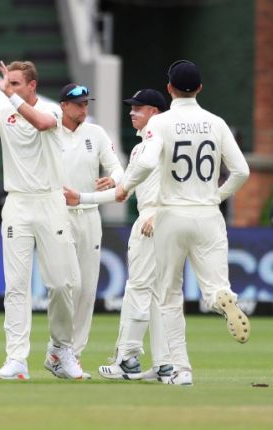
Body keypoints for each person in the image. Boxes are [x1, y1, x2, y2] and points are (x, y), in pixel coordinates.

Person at [115, 60, 251, 385]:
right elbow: (242, 171)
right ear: (200, 88)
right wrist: (216, 196)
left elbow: (146, 160)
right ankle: (221, 297)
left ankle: (182, 370)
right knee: (215, 285)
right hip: (208, 214)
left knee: (169, 297)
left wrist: (125, 186)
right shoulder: (216, 123)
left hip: (171, 215)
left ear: (169, 89)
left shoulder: (160, 124)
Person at [0, 59, 83, 380]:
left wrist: (8, 96)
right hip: (17, 205)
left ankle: (60, 351)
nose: (8, 88)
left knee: (61, 285)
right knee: (16, 286)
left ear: (32, 85)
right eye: (6, 83)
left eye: (15, 83)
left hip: (50, 202)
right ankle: (16, 359)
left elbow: (40, 124)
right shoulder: (4, 115)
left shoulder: (53, 111)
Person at [64, 88, 173, 382]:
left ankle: (127, 358)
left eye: (138, 108)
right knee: (157, 294)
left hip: (154, 221)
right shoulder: (141, 149)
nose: (131, 113)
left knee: (138, 289)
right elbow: (122, 190)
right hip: (165, 221)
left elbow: (172, 188)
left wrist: (159, 213)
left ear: (154, 112)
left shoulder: (159, 144)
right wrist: (83, 198)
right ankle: (164, 363)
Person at [47, 84, 123, 378]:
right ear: (64, 105)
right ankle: (58, 348)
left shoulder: (97, 134)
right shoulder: (49, 131)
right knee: (67, 285)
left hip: (89, 215)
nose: (83, 109)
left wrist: (112, 180)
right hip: (58, 215)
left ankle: (71, 355)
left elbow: (117, 168)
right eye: (77, 104)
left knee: (87, 290)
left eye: (86, 104)